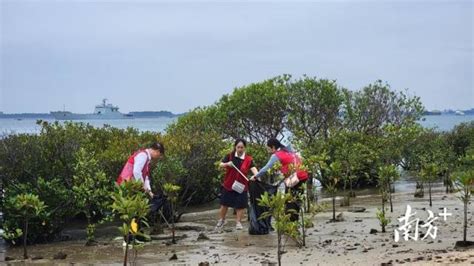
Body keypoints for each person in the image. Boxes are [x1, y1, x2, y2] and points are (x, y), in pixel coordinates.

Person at [251, 138, 308, 221]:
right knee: (297, 199)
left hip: (294, 179)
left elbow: (266, 168)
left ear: (273, 147)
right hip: (303, 176)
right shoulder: (288, 151)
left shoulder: (277, 155)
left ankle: (290, 223)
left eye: (268, 148)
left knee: (289, 201)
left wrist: (255, 176)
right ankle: (295, 221)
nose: (267, 150)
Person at [216, 138, 258, 230]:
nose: (240, 149)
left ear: (245, 148)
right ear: (235, 147)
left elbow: (254, 168)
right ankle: (221, 220)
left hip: (241, 185)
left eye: (242, 147)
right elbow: (220, 164)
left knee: (241, 204)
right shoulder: (229, 156)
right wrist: (227, 164)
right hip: (229, 184)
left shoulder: (248, 159)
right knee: (224, 203)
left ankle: (238, 223)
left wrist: (256, 176)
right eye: (238, 147)